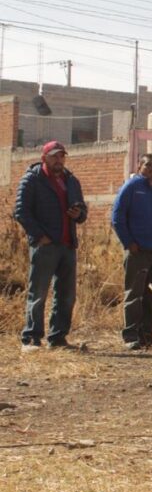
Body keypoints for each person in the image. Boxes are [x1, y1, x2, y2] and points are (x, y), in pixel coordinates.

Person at [13, 141, 87, 351]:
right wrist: (39, 236)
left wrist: (78, 214)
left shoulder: (71, 181)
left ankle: (58, 338)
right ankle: (31, 338)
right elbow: (21, 212)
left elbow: (82, 210)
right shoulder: (32, 180)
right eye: (54, 156)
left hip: (67, 245)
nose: (59, 160)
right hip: (45, 246)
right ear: (44, 158)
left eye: (62, 156)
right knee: (38, 293)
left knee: (66, 295)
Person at [112, 154, 152, 350]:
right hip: (138, 251)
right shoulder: (132, 187)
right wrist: (128, 242)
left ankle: (147, 335)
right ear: (140, 166)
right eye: (148, 164)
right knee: (135, 294)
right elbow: (117, 217)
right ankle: (131, 336)